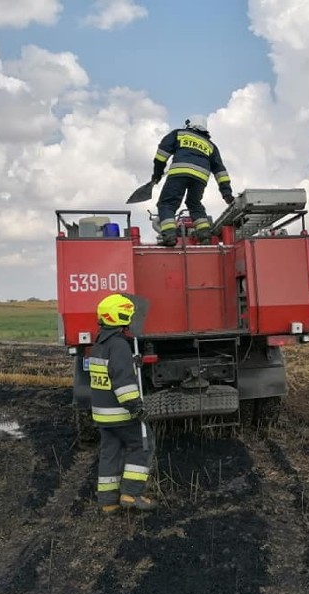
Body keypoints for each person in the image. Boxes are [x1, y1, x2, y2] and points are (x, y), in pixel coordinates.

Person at [90, 294, 157, 514]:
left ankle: (107, 502)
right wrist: (136, 407)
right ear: (121, 315)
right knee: (142, 444)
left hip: (103, 416)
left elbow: (109, 374)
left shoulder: (99, 344)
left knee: (110, 453)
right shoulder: (119, 345)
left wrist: (132, 363)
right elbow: (123, 384)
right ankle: (131, 493)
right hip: (120, 413)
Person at [150, 115, 235, 246]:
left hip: (179, 173)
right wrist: (227, 193)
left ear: (189, 124)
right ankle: (205, 235)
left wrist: (157, 174)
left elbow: (161, 154)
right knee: (194, 203)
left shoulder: (179, 134)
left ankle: (170, 237)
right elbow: (220, 171)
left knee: (167, 204)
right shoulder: (211, 146)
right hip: (200, 178)